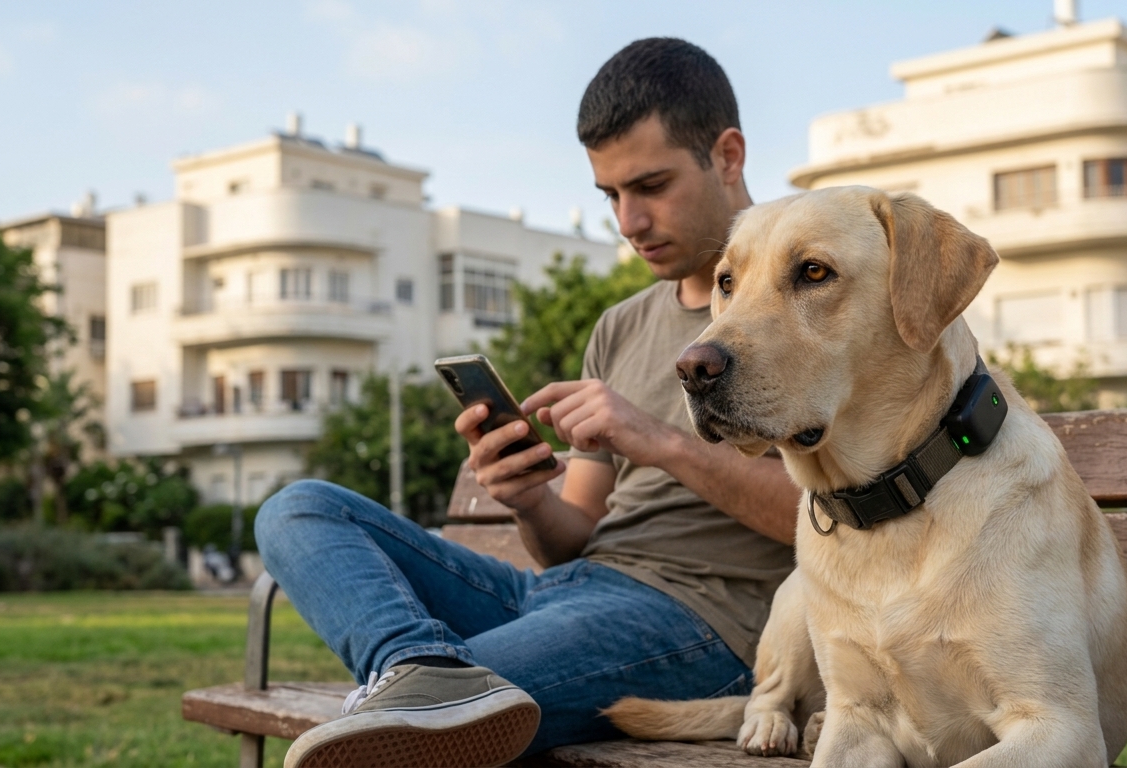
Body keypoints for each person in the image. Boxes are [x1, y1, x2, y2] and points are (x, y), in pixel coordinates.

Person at [257, 37, 799, 768]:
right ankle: (419, 669)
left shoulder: (801, 306)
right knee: (298, 509)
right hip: (560, 591)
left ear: (727, 156)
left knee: (428, 726)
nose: (628, 222)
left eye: (651, 186)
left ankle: (434, 690)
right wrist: (528, 500)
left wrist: (659, 440)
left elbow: (836, 522)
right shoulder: (620, 326)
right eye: (611, 195)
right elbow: (570, 540)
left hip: (702, 623)